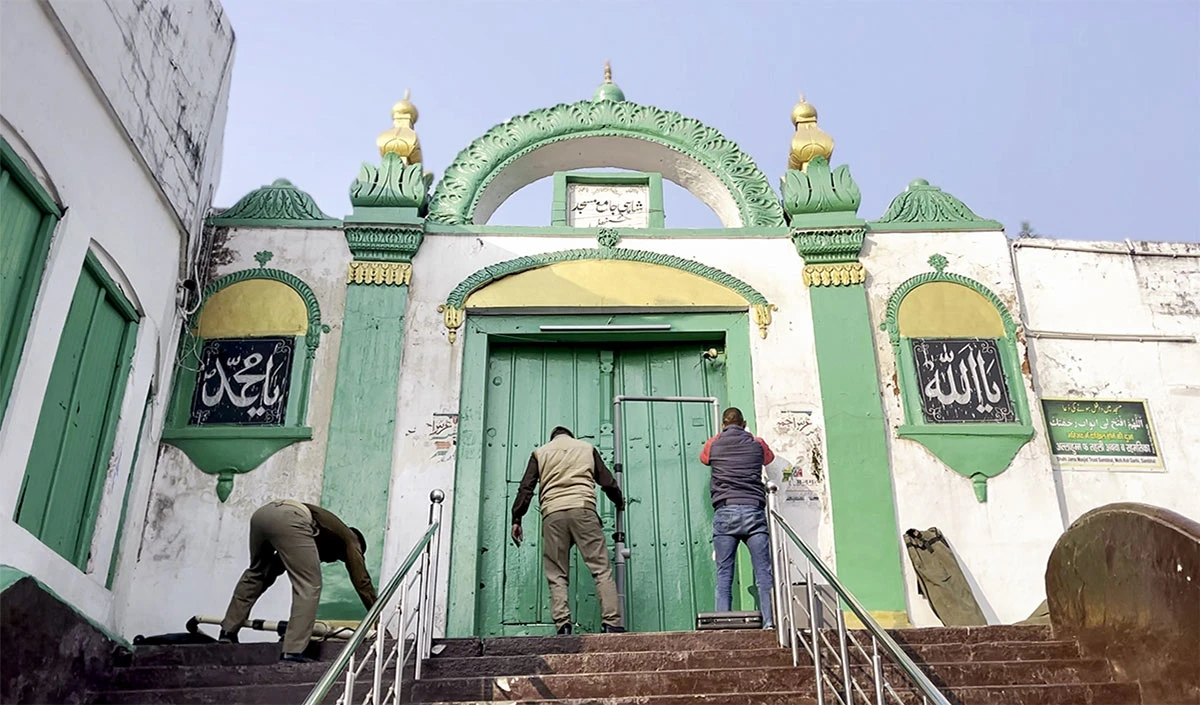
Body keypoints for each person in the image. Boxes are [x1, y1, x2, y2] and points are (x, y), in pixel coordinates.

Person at [218, 499, 377, 662]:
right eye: (341, 558)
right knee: (309, 585)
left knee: (258, 574)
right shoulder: (351, 539)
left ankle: (227, 632)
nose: (332, 561)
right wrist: (377, 616)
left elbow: (277, 566)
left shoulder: (320, 533)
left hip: (263, 515)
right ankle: (293, 651)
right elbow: (362, 581)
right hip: (291, 518)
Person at [511, 426, 626, 635]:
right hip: (583, 509)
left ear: (552, 438)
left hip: (552, 514)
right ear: (571, 436)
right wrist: (619, 501)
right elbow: (607, 482)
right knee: (601, 568)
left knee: (557, 573)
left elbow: (526, 488)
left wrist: (517, 518)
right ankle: (612, 623)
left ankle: (563, 625)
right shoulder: (586, 448)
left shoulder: (540, 453)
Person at [699, 407, 776, 629]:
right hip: (753, 512)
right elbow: (768, 458)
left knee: (724, 573)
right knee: (764, 573)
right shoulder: (757, 443)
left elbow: (704, 458)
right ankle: (770, 622)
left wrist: (721, 435)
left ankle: (723, 624)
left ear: (723, 424)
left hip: (726, 513)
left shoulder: (713, 443)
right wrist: (749, 436)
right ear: (744, 424)